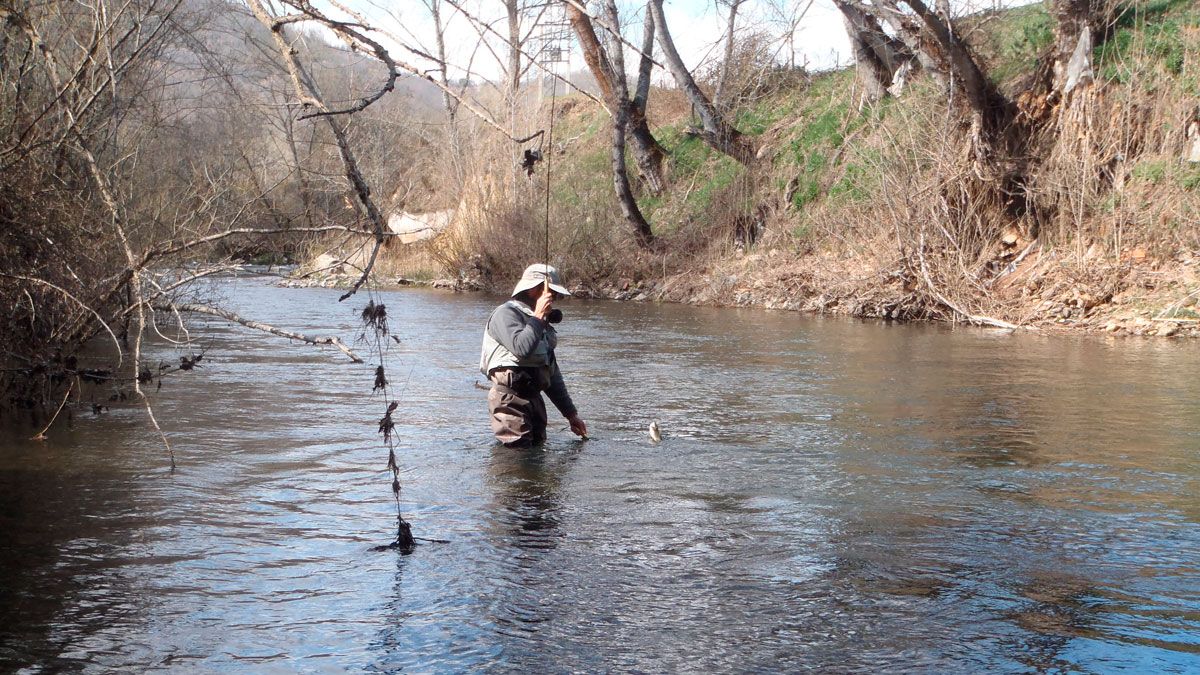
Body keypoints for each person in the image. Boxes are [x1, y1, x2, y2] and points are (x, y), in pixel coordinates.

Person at [480, 264, 588, 446]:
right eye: (551, 293)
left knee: (536, 463)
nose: (554, 299)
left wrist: (571, 415)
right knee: (518, 463)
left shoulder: (539, 324)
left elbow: (552, 375)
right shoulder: (505, 314)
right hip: (509, 402)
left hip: (534, 402)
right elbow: (521, 347)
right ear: (534, 290)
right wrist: (538, 317)